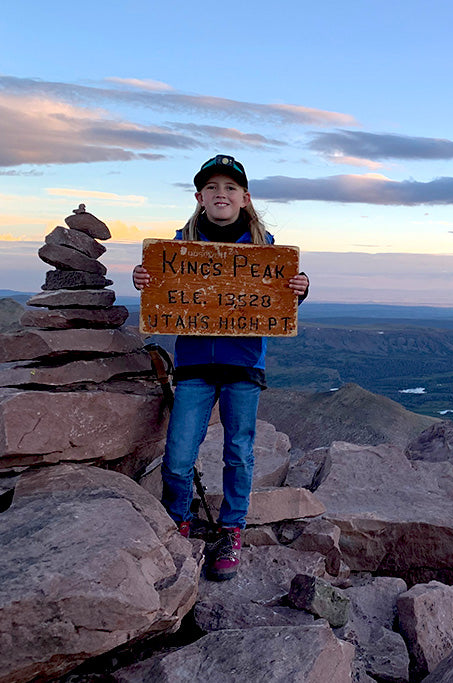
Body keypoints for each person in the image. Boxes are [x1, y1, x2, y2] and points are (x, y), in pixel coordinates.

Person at [133, 154, 309, 581]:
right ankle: (179, 520)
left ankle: (232, 529)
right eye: (212, 188)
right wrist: (145, 279)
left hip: (243, 366)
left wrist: (299, 291)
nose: (221, 194)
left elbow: (275, 301)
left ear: (245, 198)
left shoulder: (266, 250)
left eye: (230, 188)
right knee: (177, 460)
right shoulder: (177, 247)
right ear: (199, 197)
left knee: (238, 454)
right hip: (194, 365)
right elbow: (164, 295)